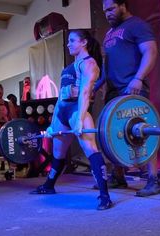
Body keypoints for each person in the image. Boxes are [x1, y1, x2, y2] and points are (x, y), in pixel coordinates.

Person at [30, 29, 113, 210]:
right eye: (68, 41)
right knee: (58, 153)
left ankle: (105, 196)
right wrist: (53, 125)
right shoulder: (68, 68)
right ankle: (49, 186)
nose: (68, 44)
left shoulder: (89, 64)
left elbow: (84, 92)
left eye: (72, 41)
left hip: (77, 109)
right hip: (63, 111)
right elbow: (61, 97)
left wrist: (79, 120)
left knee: (91, 149)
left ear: (83, 42)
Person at [94, 0, 160, 197]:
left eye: (111, 9)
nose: (107, 14)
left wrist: (138, 78)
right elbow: (107, 67)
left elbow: (151, 51)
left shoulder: (137, 25)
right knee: (113, 135)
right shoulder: (108, 34)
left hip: (133, 88)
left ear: (122, 5)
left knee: (144, 131)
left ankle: (154, 180)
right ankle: (118, 176)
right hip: (114, 91)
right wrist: (95, 86)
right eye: (105, 10)